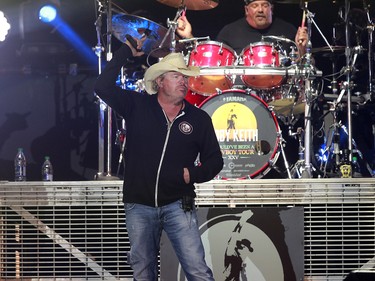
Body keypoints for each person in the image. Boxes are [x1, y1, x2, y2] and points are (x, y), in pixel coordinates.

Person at [94, 38, 223, 280]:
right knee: (143, 272)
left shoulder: (198, 119)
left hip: (178, 204)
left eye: (185, 77)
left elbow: (215, 161)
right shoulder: (137, 105)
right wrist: (125, 52)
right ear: (160, 81)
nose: (184, 82)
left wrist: (191, 174)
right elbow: (101, 86)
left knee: (197, 269)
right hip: (138, 204)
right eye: (177, 76)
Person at [177, 0, 308, 60]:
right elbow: (210, 61)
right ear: (246, 10)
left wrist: (302, 49)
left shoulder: (289, 30)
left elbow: (304, 67)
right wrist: (188, 36)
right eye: (255, 6)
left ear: (271, 9)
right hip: (240, 95)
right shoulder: (229, 31)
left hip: (280, 97)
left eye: (265, 5)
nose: (261, 10)